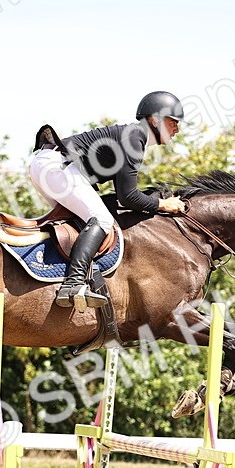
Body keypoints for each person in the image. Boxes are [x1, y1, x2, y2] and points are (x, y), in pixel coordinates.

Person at [29, 91, 187, 308]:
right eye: (173, 122)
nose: (177, 129)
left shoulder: (133, 136)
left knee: (82, 222)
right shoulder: (134, 139)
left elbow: (121, 198)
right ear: (154, 119)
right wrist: (163, 204)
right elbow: (128, 197)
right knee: (101, 220)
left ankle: (56, 277)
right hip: (57, 166)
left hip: (48, 165)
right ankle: (73, 284)